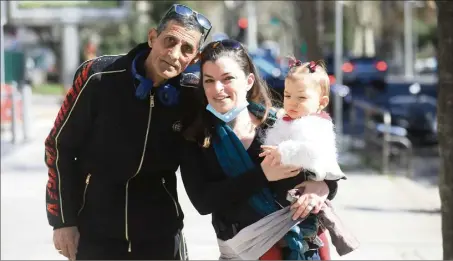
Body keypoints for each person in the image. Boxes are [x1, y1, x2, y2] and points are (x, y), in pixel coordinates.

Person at [44, 4, 211, 260]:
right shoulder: (99, 77)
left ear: (195, 58)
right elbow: (59, 146)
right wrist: (63, 220)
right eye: (169, 41)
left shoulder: (193, 94)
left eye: (187, 49)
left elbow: (244, 113)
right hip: (96, 232)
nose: (175, 54)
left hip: (161, 236)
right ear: (152, 37)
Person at [179, 39, 339, 260]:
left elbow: (323, 163)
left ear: (248, 81)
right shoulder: (197, 137)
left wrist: (323, 186)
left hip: (303, 247)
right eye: (209, 80)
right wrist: (262, 175)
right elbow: (204, 202)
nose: (217, 89)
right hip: (242, 251)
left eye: (228, 79)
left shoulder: (279, 122)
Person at [259, 58, 348, 260]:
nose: (291, 103)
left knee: (308, 239)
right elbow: (274, 141)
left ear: (321, 102)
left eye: (301, 98)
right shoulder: (286, 119)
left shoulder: (317, 125)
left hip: (305, 198)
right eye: (287, 95)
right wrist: (271, 151)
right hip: (284, 201)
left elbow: (313, 153)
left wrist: (282, 151)